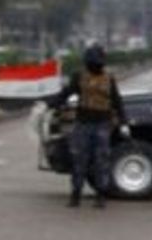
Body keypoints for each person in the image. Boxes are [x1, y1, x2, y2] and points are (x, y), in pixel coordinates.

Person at [49, 44, 128, 208]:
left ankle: (100, 196)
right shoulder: (79, 76)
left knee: (101, 161)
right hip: (83, 124)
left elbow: (117, 101)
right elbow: (67, 93)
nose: (95, 65)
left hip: (102, 125)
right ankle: (75, 194)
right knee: (79, 161)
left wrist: (124, 122)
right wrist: (53, 104)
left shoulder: (109, 78)